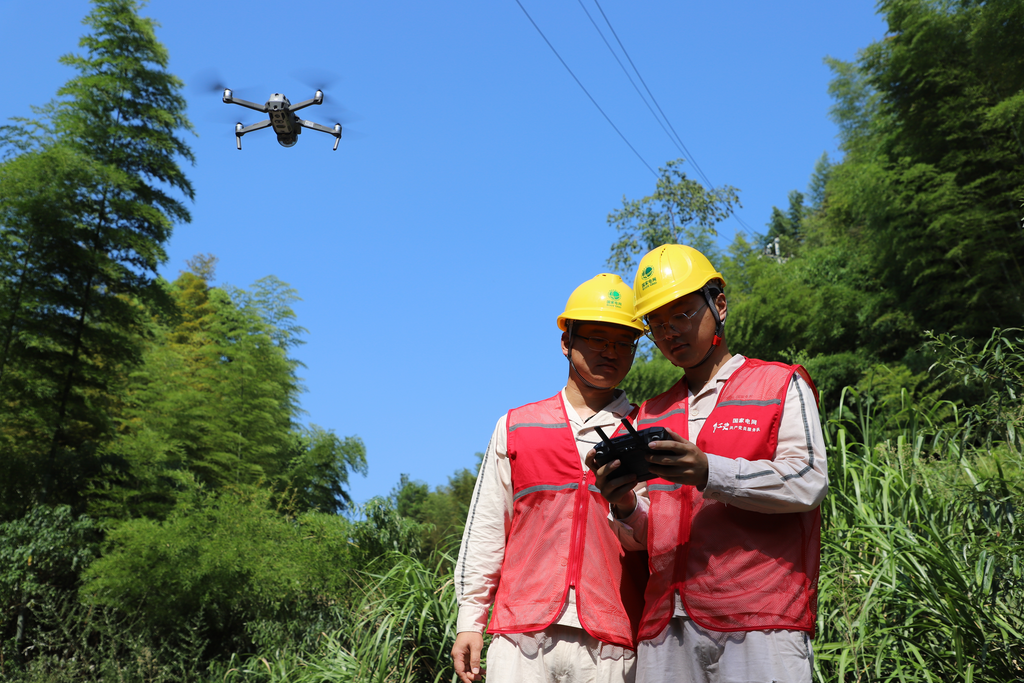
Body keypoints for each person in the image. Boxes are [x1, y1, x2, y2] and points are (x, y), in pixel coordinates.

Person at [587, 245, 827, 683]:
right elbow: (646, 534)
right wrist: (623, 505)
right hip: (665, 630)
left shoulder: (779, 383)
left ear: (718, 304)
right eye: (657, 325)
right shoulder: (649, 414)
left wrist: (709, 472)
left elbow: (808, 482)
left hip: (760, 619)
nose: (670, 332)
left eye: (681, 315)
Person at [452, 273, 650, 683]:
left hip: (613, 639)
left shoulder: (646, 431)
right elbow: (489, 527)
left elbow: (657, 535)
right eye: (596, 338)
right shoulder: (517, 426)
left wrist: (628, 506)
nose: (609, 351)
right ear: (566, 342)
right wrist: (470, 618)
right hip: (522, 635)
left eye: (622, 342)